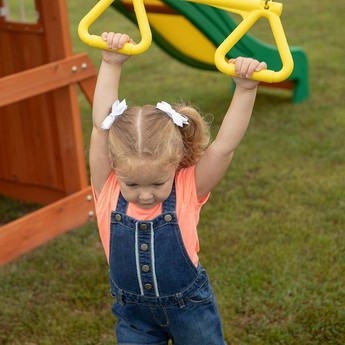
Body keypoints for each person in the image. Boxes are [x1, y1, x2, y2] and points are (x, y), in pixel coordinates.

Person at [90, 32, 267, 345]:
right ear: (115, 168)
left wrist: (245, 88)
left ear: (176, 164)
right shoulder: (108, 187)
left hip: (190, 310)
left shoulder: (187, 187)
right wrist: (110, 62)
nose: (145, 194)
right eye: (132, 184)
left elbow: (223, 148)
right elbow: (100, 125)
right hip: (134, 317)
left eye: (158, 183)